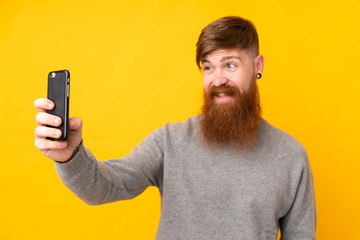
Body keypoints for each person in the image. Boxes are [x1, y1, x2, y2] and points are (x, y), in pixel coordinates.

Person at [34, 16, 316, 239]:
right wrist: (70, 156)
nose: (217, 79)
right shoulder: (169, 142)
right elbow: (106, 186)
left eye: (230, 65)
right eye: (208, 67)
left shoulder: (291, 156)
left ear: (258, 66)